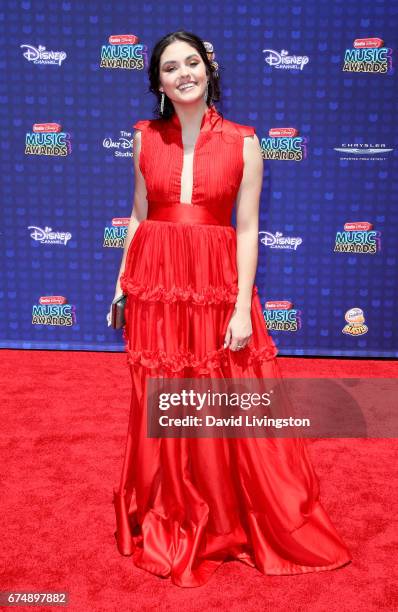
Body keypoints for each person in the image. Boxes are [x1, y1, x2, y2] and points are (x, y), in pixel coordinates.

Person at [109, 31, 352, 588]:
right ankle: (167, 509)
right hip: (157, 285)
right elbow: (138, 215)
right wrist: (120, 284)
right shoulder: (143, 137)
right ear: (159, 82)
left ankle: (221, 513)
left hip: (216, 285)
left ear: (209, 69)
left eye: (191, 62)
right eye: (170, 67)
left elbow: (246, 229)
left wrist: (242, 305)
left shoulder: (245, 141)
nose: (183, 73)